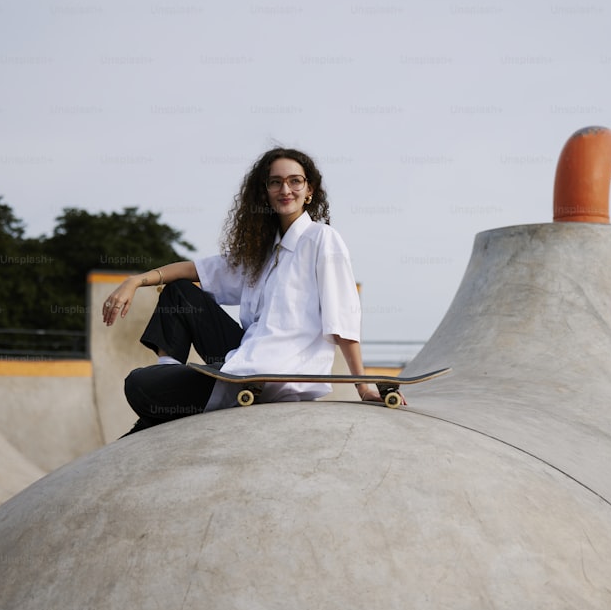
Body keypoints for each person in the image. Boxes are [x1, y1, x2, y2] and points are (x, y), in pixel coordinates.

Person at [102, 147, 395, 435]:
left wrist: (363, 385)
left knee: (139, 383)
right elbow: (195, 270)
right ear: (265, 192)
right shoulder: (262, 254)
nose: (285, 189)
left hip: (272, 374)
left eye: (295, 181)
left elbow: (342, 314)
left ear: (310, 191)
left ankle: (164, 396)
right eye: (275, 182)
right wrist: (136, 281)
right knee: (180, 292)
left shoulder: (321, 239)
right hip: (244, 356)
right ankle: (168, 376)